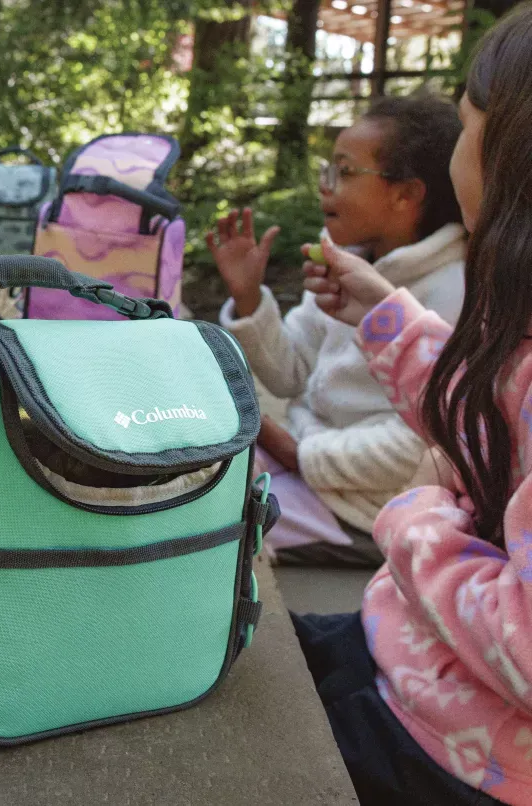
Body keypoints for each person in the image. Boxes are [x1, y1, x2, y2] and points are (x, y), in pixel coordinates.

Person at [294, 5, 532, 803]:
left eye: (467, 125)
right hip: (412, 647)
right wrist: (383, 315)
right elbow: (493, 411)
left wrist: (418, 511)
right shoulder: (510, 308)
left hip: (456, 751)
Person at [206, 95, 467, 568]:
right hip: (305, 461)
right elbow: (290, 374)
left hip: (367, 503)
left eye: (345, 172)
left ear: (406, 195)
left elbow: (425, 447)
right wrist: (248, 298)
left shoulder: (454, 292)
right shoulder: (349, 264)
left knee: (209, 525)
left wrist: (298, 452)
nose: (326, 186)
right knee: (194, 473)